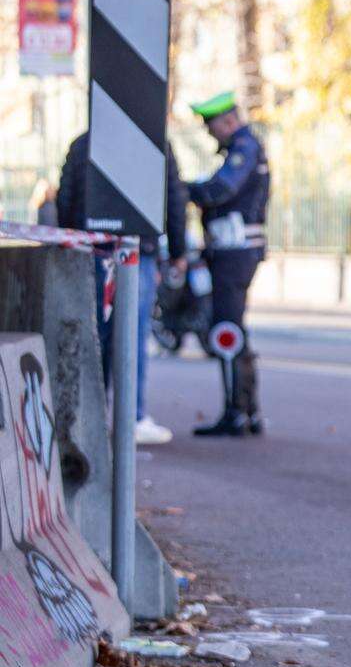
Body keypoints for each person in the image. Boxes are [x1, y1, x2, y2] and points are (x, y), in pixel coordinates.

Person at [56, 132, 189, 445]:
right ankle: (134, 417)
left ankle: (92, 416)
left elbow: (66, 196)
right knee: (131, 334)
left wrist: (69, 243)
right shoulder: (153, 139)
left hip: (90, 251)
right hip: (136, 249)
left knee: (93, 334)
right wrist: (178, 249)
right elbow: (173, 197)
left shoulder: (82, 143)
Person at [185, 91, 271, 437]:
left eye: (212, 126)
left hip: (235, 253)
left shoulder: (244, 149)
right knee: (233, 330)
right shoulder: (243, 147)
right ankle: (245, 411)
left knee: (228, 331)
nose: (210, 133)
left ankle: (237, 412)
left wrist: (184, 189)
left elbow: (220, 190)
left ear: (229, 121)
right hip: (234, 252)